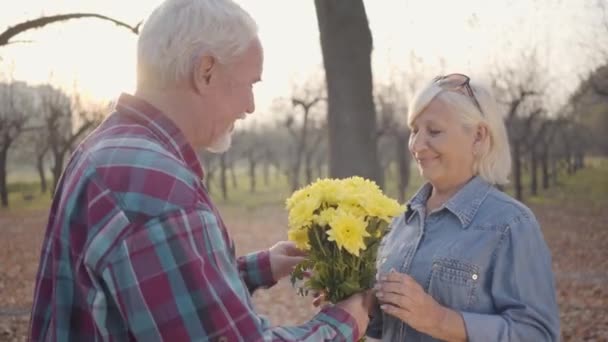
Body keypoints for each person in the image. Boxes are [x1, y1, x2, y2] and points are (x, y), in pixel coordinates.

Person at [28, 0, 372, 340]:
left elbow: (158, 288)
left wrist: (262, 266)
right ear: (205, 71)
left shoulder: (110, 149)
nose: (250, 107)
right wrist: (342, 322)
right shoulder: (156, 189)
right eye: (251, 83)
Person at [366, 74, 560, 341]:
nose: (417, 145)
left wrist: (440, 320)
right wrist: (354, 306)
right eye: (414, 130)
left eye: (433, 131)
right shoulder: (401, 222)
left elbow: (538, 335)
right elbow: (389, 326)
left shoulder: (511, 225)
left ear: (478, 137)